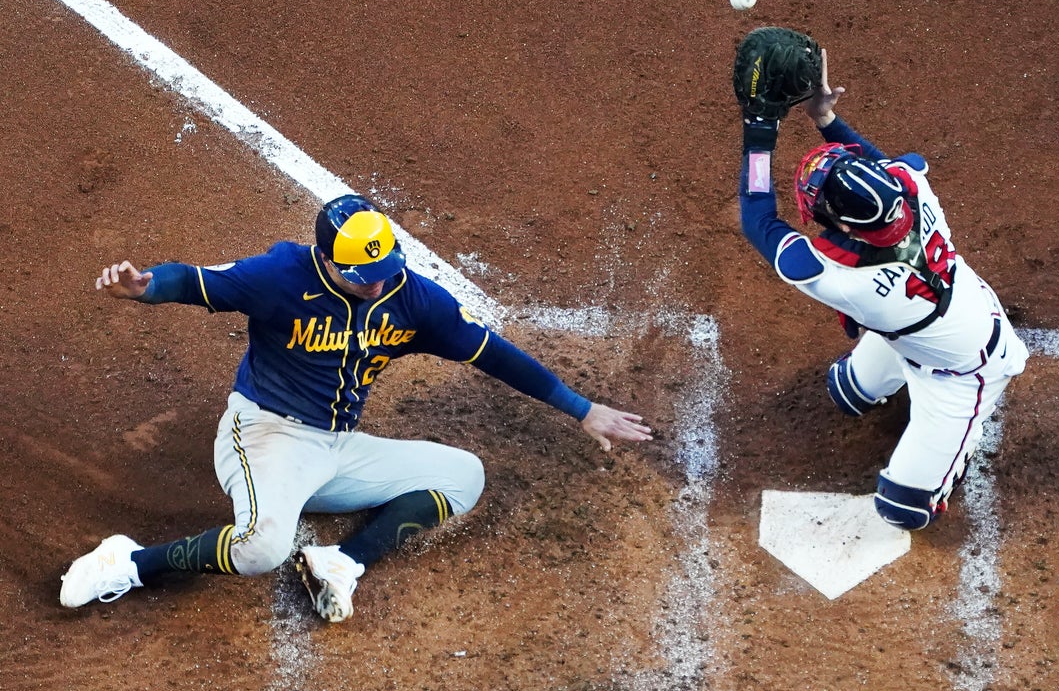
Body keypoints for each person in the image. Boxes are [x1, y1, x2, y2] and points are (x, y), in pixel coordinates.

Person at [60, 195, 652, 622]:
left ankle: (341, 562)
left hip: (336, 450)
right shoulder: (280, 276)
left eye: (384, 271)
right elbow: (200, 282)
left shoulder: (413, 299)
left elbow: (490, 353)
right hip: (264, 437)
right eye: (363, 276)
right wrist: (146, 287)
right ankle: (129, 563)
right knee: (262, 549)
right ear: (328, 259)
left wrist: (582, 409)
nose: (377, 284)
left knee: (463, 476)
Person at [736, 48, 1029, 530]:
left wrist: (759, 128)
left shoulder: (853, 283)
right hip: (941, 313)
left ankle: (955, 451)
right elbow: (880, 162)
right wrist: (825, 116)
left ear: (846, 228)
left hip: (964, 373)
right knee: (846, 392)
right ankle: (904, 396)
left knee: (901, 512)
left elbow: (756, 216)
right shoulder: (910, 186)